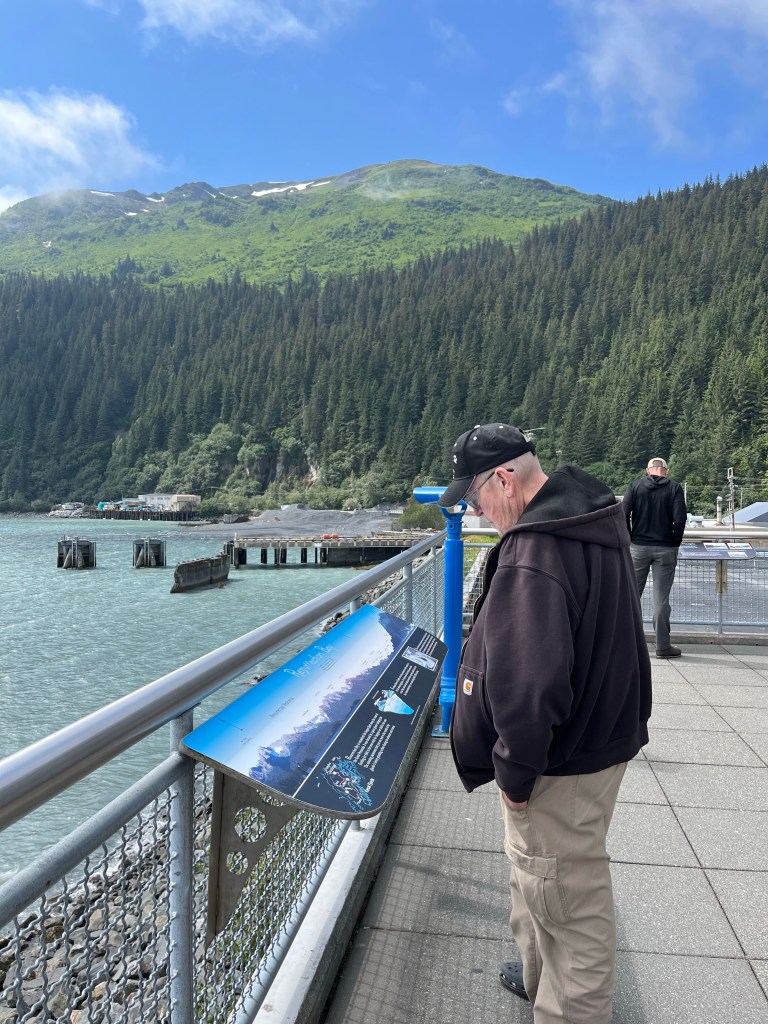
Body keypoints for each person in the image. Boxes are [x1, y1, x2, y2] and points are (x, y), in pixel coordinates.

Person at [438, 422, 651, 1024]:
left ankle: (568, 1007)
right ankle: (536, 974)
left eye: (475, 496)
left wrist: (514, 772)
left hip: (559, 762)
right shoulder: (588, 518)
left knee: (569, 902)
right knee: (538, 879)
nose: (475, 512)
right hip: (600, 737)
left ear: (504, 479)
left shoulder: (534, 553)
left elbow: (531, 686)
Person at [622, 457, 687, 658]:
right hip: (665, 548)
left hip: (638, 548)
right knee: (661, 600)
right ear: (666, 471)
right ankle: (663, 647)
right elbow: (680, 518)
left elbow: (623, 514)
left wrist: (630, 537)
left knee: (631, 596)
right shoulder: (674, 488)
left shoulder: (635, 486)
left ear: (648, 470)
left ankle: (625, 645)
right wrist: (675, 541)